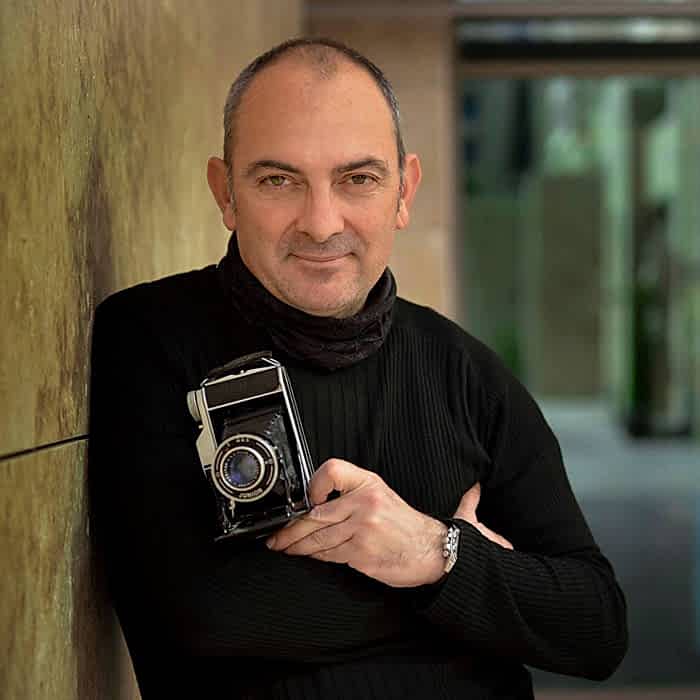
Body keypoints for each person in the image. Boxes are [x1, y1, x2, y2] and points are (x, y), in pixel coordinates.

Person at [89, 37, 627, 699]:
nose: (321, 224)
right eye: (278, 180)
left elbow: (596, 627)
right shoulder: (151, 335)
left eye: (358, 179)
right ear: (226, 193)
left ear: (404, 191)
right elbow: (199, 618)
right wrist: (468, 586)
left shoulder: (467, 372)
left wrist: (431, 551)